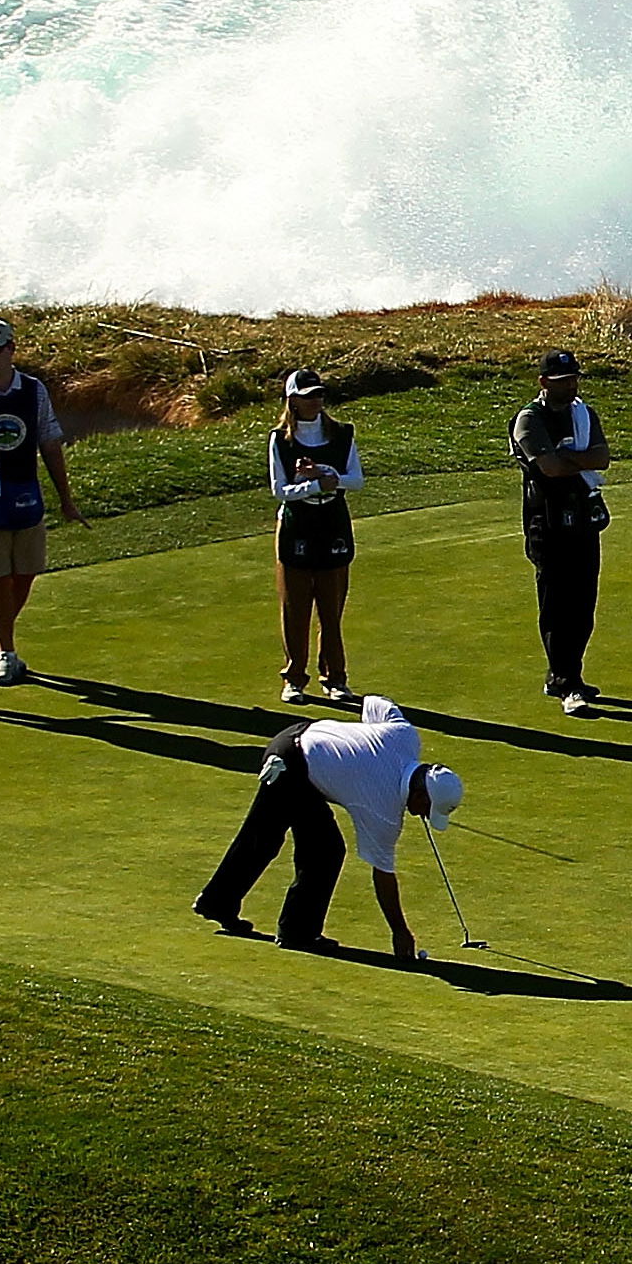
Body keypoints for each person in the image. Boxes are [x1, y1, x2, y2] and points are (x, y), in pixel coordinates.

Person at [191, 691, 463, 957]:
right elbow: (383, 874)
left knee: (264, 835)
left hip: (293, 737)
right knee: (324, 850)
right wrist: (400, 930)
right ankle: (297, 933)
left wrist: (358, 752)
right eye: (428, 809)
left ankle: (217, 903)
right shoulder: (383, 810)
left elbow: (375, 703)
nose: (424, 817)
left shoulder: (407, 738)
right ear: (418, 795)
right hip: (292, 767)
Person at [0, 318, 86, 687]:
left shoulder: (32, 389)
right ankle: (7, 655)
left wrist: (66, 498)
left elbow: (49, 442)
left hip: (25, 492)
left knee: (25, 575)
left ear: (12, 348)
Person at [511, 348, 612, 711]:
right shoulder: (529, 419)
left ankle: (571, 675)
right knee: (557, 604)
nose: (570, 386)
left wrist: (566, 456)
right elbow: (549, 468)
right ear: (543, 383)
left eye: (573, 380)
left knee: (584, 603)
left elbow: (602, 458)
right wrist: (573, 458)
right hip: (546, 521)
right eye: (561, 381)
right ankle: (564, 680)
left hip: (583, 517)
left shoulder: (583, 414)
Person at [269, 368, 362, 704]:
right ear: (293, 399)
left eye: (319, 395)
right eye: (308, 396)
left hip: (333, 524)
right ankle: (294, 679)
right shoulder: (281, 439)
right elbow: (280, 490)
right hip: (297, 526)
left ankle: (336, 679)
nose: (316, 401)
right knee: (295, 609)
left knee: (330, 610)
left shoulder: (341, 434)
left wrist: (327, 475)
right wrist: (311, 485)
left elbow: (356, 479)